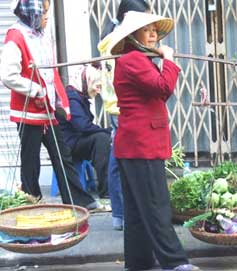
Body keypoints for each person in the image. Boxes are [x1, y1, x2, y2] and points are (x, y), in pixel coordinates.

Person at [98, 11, 200, 271]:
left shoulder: (136, 59)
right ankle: (176, 263)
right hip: (140, 144)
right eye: (147, 30)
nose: (154, 34)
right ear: (134, 35)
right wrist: (170, 60)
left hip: (135, 144)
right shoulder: (133, 60)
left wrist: (161, 60)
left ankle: (138, 262)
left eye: (155, 29)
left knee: (137, 211)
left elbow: (155, 92)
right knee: (156, 207)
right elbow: (163, 87)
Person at [0, 0, 99, 210]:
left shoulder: (42, 36)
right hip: (29, 112)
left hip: (48, 111)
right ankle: (30, 201)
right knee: (31, 161)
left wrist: (59, 101)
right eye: (43, 12)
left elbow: (50, 72)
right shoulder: (16, 36)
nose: (47, 17)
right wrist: (35, 90)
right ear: (31, 14)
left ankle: (76, 200)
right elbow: (8, 75)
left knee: (62, 155)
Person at [98, 0, 151, 231]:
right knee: (121, 160)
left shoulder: (114, 35)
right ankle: (123, 213)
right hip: (121, 106)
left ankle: (121, 214)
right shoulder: (118, 39)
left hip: (117, 104)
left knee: (118, 157)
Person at [57, 64, 111, 200]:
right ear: (87, 81)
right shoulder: (72, 98)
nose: (98, 91)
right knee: (101, 139)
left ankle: (108, 185)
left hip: (75, 141)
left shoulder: (78, 96)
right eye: (96, 86)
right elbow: (82, 126)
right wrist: (105, 131)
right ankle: (105, 189)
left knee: (103, 138)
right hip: (69, 144)